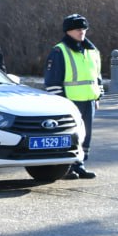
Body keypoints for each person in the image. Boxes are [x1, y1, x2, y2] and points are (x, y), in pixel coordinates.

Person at [44, 13, 103, 180]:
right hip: (70, 102)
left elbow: (96, 76)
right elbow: (52, 81)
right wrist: (61, 104)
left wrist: (98, 97)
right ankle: (66, 168)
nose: (82, 32)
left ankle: (80, 164)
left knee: (86, 136)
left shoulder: (92, 50)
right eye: (78, 29)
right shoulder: (59, 51)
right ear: (68, 31)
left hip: (88, 101)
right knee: (69, 135)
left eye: (84, 29)